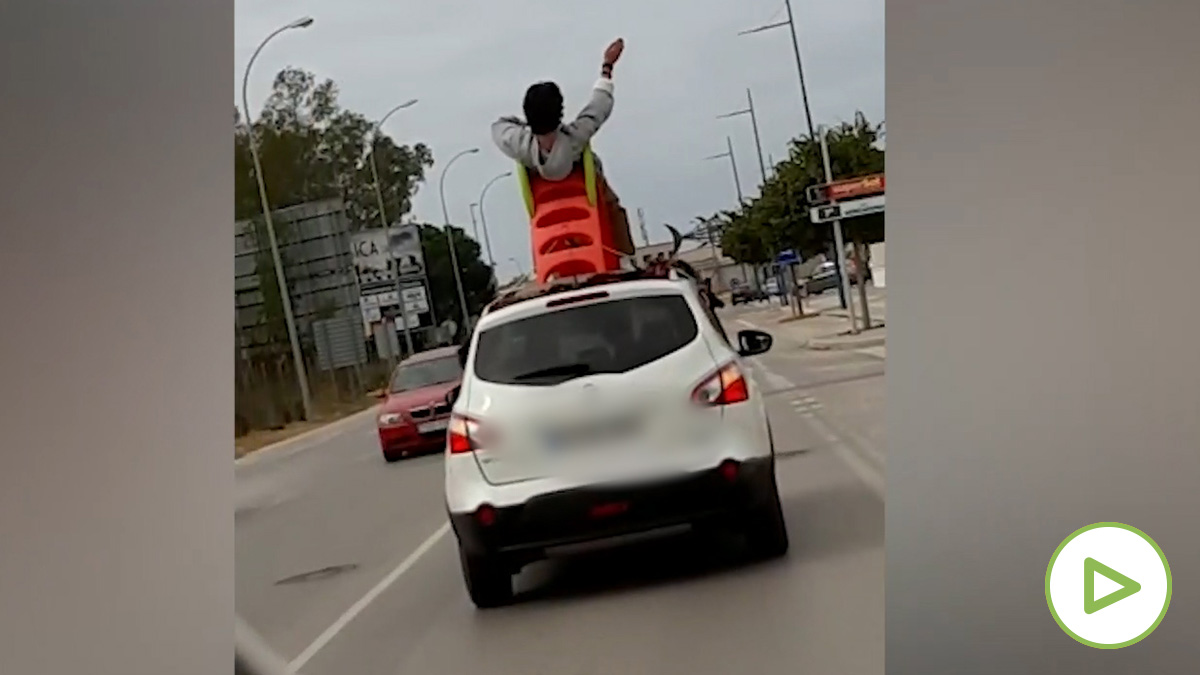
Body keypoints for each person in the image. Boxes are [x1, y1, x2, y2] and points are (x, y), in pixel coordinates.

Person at [491, 38, 635, 256]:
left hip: (547, 216)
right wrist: (607, 66)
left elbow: (498, 127)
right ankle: (625, 257)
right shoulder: (576, 139)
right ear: (560, 112)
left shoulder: (519, 145)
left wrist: (526, 128)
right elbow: (599, 106)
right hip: (589, 206)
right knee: (614, 208)